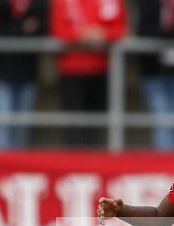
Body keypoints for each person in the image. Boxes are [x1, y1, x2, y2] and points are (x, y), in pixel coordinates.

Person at [51, 0, 128, 147]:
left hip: (102, 69)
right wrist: (82, 35)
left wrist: (103, 33)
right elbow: (58, 30)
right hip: (71, 70)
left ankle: (97, 164)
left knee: (100, 125)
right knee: (74, 124)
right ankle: (74, 164)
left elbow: (121, 28)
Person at [0, 0, 48, 150]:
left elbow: (45, 27)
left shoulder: (38, 5)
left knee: (21, 129)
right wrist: (21, 29)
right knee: (2, 125)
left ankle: (17, 166)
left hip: (28, 75)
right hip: (0, 74)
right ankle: (0, 168)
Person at [134, 0, 174, 151]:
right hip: (154, 73)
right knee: (163, 123)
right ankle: (167, 166)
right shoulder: (147, 4)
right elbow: (144, 31)